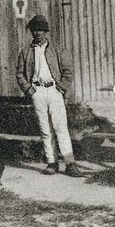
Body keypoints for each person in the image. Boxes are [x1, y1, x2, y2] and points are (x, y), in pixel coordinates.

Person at [16, 15, 84, 177]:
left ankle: (70, 163)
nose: (37, 33)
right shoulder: (25, 52)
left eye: (40, 29)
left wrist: (61, 88)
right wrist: (29, 90)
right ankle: (52, 162)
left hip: (54, 91)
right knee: (45, 129)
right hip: (37, 92)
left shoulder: (58, 50)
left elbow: (68, 71)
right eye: (34, 30)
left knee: (60, 127)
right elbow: (19, 74)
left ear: (46, 31)